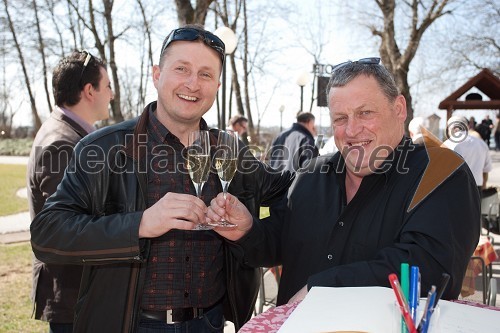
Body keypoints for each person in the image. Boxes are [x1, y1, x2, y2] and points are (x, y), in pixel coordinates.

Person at [30, 25, 292, 333]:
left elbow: (293, 193)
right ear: (157, 75)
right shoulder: (103, 148)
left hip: (209, 323)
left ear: (217, 86)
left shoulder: (230, 150)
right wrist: (140, 224)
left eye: (206, 74)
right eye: (182, 69)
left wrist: (250, 230)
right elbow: (48, 234)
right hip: (131, 324)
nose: (193, 84)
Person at [207, 57, 480, 306]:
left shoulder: (442, 172)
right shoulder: (311, 175)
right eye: (340, 118)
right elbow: (277, 243)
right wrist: (245, 230)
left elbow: (427, 270)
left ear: (399, 109)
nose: (351, 130)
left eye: (365, 113)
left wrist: (322, 288)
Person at [27, 50, 113, 333]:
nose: (111, 95)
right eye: (108, 86)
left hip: (82, 296)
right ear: (90, 91)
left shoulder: (74, 136)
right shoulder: (62, 143)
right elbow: (64, 229)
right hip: (74, 297)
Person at [444, 115, 492, 196]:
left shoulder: (447, 145)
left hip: (453, 188)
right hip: (477, 188)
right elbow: (486, 171)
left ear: (450, 129)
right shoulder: (481, 143)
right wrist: (483, 188)